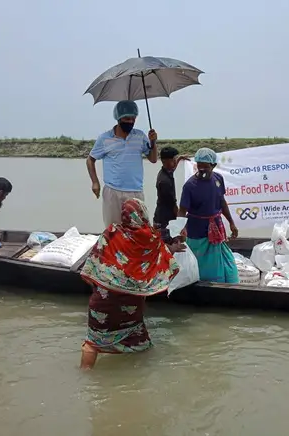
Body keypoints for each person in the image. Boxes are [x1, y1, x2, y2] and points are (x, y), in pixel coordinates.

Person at [79, 198, 185, 370]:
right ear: (143, 214)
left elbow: (92, 267)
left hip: (101, 303)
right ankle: (139, 383)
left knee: (92, 343)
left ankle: (84, 376)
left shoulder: (111, 232)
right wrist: (173, 248)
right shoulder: (149, 238)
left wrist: (106, 289)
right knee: (140, 344)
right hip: (131, 308)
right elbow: (164, 261)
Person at [86, 100, 158, 228]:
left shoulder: (140, 136)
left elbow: (153, 159)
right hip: (113, 192)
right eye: (126, 118)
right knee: (113, 230)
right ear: (118, 118)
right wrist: (95, 182)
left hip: (136, 191)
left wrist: (153, 143)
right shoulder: (105, 138)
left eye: (133, 118)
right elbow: (90, 160)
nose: (130, 121)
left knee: (138, 230)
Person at [178, 148, 239, 283]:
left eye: (206, 167)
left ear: (213, 166)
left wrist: (231, 222)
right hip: (196, 230)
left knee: (222, 262)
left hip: (215, 228)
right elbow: (182, 210)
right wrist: (180, 228)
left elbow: (222, 202)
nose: (202, 169)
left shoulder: (218, 179)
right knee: (198, 263)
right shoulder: (189, 186)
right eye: (200, 166)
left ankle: (223, 284)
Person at [153, 146, 189, 241]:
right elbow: (173, 206)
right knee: (168, 247)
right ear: (165, 161)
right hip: (163, 222)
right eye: (173, 159)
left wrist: (180, 158)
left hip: (163, 217)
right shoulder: (165, 182)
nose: (175, 161)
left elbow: (173, 168)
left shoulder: (166, 171)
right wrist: (181, 225)